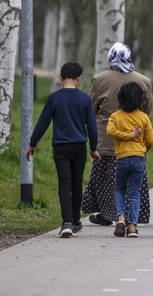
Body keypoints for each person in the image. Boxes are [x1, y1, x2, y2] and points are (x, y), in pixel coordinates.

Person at [25, 62, 100, 238]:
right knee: (76, 183)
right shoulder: (84, 99)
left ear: (60, 78)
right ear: (78, 79)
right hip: (80, 147)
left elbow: (43, 122)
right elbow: (92, 126)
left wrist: (32, 143)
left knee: (64, 184)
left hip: (61, 147)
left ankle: (66, 222)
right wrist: (94, 148)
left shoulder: (54, 98)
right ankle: (75, 221)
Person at [83, 42, 153, 227]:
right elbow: (148, 110)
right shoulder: (143, 81)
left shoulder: (99, 79)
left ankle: (108, 214)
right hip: (136, 144)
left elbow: (90, 108)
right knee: (134, 185)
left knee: (107, 181)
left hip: (107, 140)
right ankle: (133, 218)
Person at [107, 82, 153, 238]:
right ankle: (133, 226)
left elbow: (110, 131)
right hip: (138, 158)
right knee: (134, 193)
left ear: (121, 98)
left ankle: (120, 218)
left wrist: (126, 136)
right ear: (141, 100)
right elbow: (151, 140)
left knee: (120, 189)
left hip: (121, 158)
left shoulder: (115, 116)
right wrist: (141, 149)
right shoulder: (143, 117)